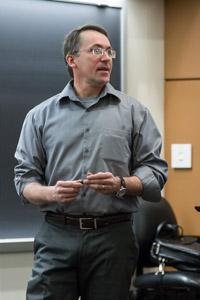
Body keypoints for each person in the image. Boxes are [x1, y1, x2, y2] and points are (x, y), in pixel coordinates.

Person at [14, 24, 168, 300]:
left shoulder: (135, 113)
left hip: (113, 238)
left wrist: (121, 184)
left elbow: (156, 173)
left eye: (110, 51)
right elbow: (24, 180)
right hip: (57, 233)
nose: (106, 57)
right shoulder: (40, 116)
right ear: (71, 60)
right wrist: (51, 192)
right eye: (96, 50)